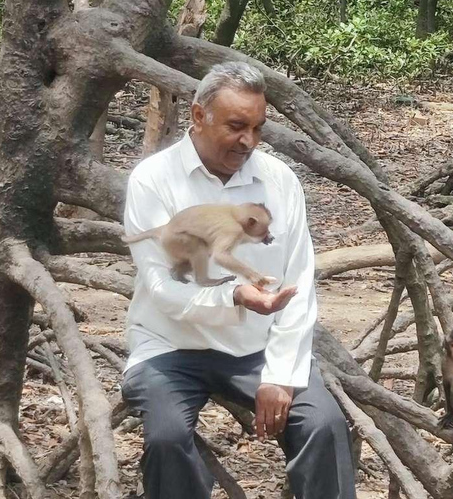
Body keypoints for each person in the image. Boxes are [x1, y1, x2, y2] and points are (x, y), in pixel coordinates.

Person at [121, 61, 357, 499]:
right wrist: (234, 296)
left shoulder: (278, 181)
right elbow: (160, 287)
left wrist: (281, 374)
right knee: (167, 439)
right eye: (235, 126)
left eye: (257, 127)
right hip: (171, 344)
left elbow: (299, 280)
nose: (248, 141)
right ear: (198, 116)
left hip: (255, 347)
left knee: (323, 425)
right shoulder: (153, 180)